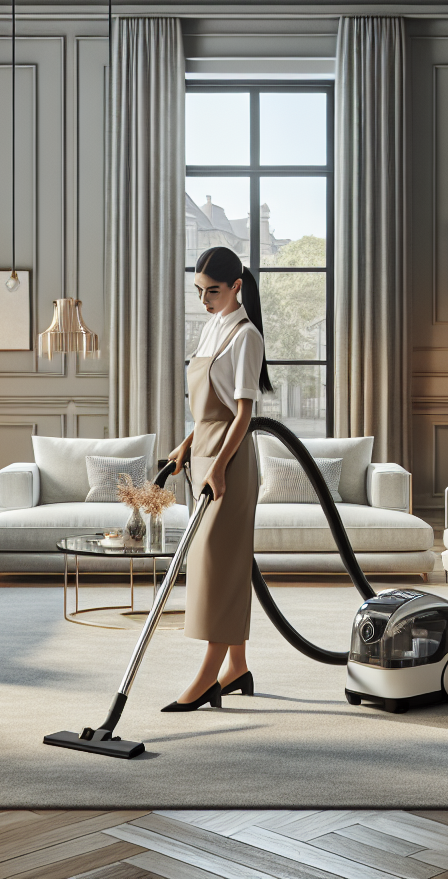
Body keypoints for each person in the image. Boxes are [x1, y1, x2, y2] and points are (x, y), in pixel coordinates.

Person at [163, 246, 275, 712]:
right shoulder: (211, 328)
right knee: (219, 561)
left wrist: (218, 466)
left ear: (236, 287)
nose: (205, 300)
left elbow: (243, 413)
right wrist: (187, 446)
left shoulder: (246, 336)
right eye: (200, 291)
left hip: (228, 462)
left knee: (218, 562)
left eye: (213, 291)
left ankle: (209, 675)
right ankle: (238, 666)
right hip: (203, 456)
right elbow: (210, 409)